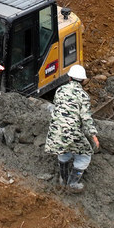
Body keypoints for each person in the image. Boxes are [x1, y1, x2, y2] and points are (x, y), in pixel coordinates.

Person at [45, 64, 99, 192]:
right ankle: (72, 184)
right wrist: (94, 136)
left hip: (55, 130)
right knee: (85, 154)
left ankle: (63, 179)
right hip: (71, 131)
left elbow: (57, 107)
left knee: (63, 150)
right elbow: (86, 117)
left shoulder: (60, 90)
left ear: (69, 78)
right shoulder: (83, 95)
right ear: (83, 80)